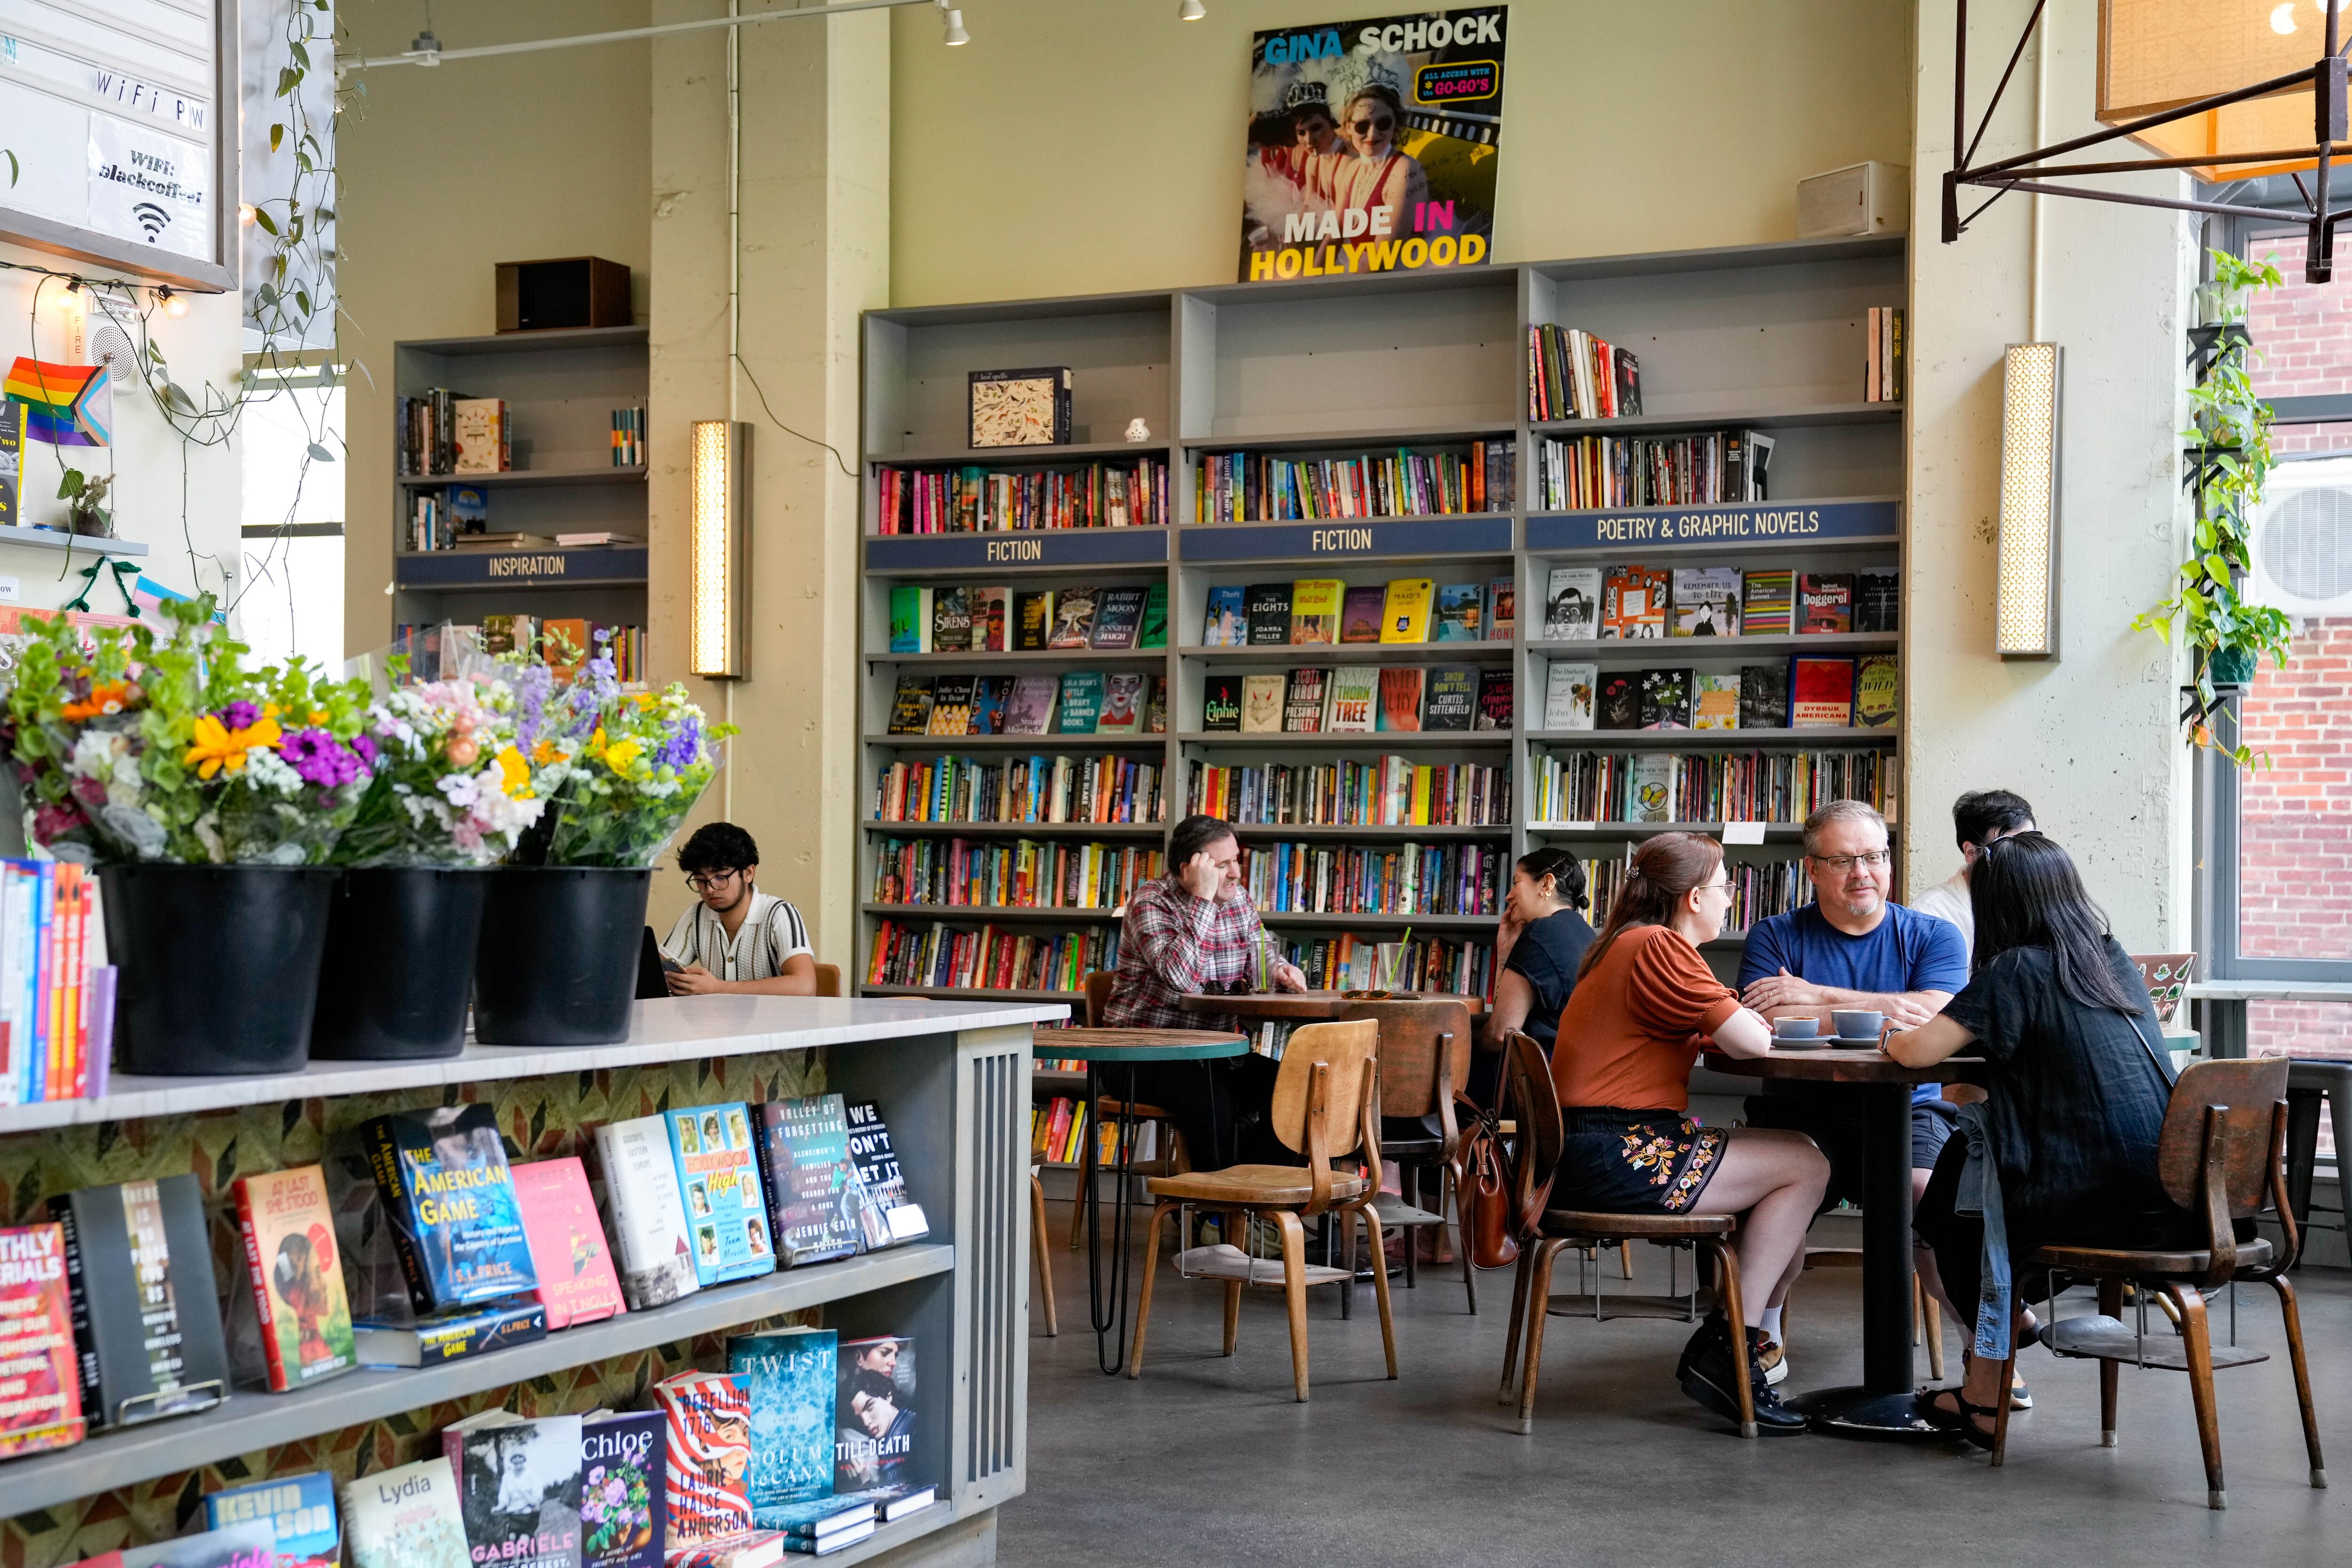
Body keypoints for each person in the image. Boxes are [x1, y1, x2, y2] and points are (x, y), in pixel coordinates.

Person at [1886, 833, 2185, 1444]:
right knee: (1958, 1180)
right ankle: (1989, 1381)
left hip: (2081, 1198)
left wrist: (1893, 1033)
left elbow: (1918, 1053)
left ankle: (1987, 1386)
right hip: (2170, 1190)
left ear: (1997, 906)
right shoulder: (2111, 957)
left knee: (1953, 1206)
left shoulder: (2016, 967)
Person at [1549, 832, 1829, 1434]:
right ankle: (1730, 1350)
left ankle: (1736, 1345)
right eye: (1725, 886)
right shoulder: (1658, 946)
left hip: (1595, 1145)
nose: (1730, 898)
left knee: (1795, 1171)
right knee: (1806, 1166)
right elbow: (1751, 1040)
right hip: (1618, 1150)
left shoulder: (1625, 943)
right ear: (1694, 897)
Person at [1103, 814, 1307, 1168]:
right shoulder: (1150, 902)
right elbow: (1180, 978)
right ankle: (1214, 1211)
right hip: (1140, 1054)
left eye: (1236, 860)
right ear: (1190, 867)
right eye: (1223, 864)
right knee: (1212, 1100)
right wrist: (1203, 899)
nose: (1236, 873)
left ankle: (1245, 1194)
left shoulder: (1239, 898)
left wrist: (1280, 971)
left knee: (1297, 1091)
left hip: (1213, 1052)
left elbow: (1261, 956)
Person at [1475, 846, 1596, 1105]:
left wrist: (1465, 1047)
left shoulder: (1541, 934)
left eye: (1517, 882)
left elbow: (1500, 1034)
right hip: (1571, 1081)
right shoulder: (1586, 934)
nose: (1509, 896)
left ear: (1547, 883)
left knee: (1429, 1073)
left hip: (1534, 1086)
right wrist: (1507, 954)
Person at [660, 822, 819, 996]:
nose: (710, 889)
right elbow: (653, 972)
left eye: (721, 877)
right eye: (700, 880)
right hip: (716, 1022)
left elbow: (805, 986)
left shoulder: (779, 914)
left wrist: (717, 988)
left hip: (774, 1021)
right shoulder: (697, 915)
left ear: (749, 873)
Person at [1907, 788, 2037, 954]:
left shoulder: (2038, 901)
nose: (2024, 857)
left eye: (2032, 844)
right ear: (1971, 853)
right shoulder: (1930, 915)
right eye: (2007, 848)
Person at [1328, 84, 1431, 240]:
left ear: (1396, 124)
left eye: (1384, 123)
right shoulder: (1352, 169)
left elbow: (1383, 256)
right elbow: (1334, 235)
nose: (1372, 134)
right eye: (1362, 126)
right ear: (1348, 128)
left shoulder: (1405, 170)